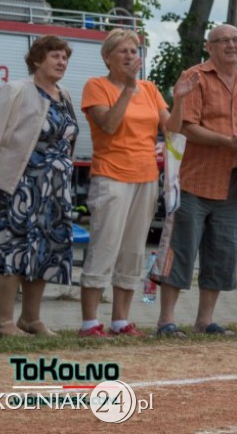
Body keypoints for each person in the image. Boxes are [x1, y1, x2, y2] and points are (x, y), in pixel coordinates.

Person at [78, 29, 194, 338]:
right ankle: (90, 322)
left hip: (145, 177)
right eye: (123, 52)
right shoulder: (96, 86)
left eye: (134, 51)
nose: (131, 56)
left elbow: (171, 129)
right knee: (105, 245)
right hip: (111, 175)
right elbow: (109, 125)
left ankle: (120, 320)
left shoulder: (150, 88)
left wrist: (179, 99)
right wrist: (128, 89)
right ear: (107, 58)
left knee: (133, 250)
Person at [155, 24, 237, 338]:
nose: (231, 45)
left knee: (223, 253)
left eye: (236, 40)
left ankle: (205, 321)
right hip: (194, 179)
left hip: (233, 180)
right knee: (180, 250)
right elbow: (186, 127)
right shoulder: (195, 77)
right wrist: (226, 141)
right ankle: (166, 320)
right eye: (223, 41)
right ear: (209, 47)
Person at [0, 36, 78, 337]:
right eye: (55, 56)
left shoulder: (65, 96)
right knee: (11, 248)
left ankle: (30, 319)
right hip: (20, 184)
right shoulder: (16, 90)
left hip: (56, 189)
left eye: (64, 57)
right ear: (37, 60)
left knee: (45, 250)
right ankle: (1, 321)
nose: (61, 62)